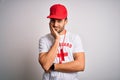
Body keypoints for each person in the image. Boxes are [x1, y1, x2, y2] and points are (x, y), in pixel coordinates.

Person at [38, 4, 85, 80]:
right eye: (53, 20)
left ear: (66, 21)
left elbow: (80, 65)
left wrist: (53, 66)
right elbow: (46, 65)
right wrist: (57, 39)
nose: (55, 24)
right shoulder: (44, 40)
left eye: (59, 21)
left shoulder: (74, 38)